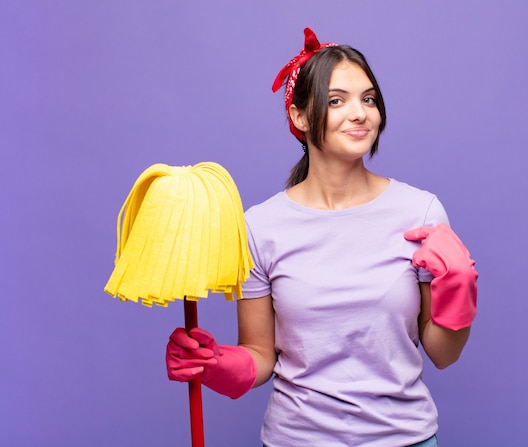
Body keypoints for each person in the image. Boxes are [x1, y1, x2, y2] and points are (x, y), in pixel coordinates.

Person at [166, 28, 478, 447]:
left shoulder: (419, 213)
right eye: (337, 101)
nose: (360, 113)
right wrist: (216, 364)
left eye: (368, 99)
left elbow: (443, 353)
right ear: (298, 117)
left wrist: (459, 291)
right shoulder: (260, 226)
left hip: (405, 441)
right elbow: (260, 355)